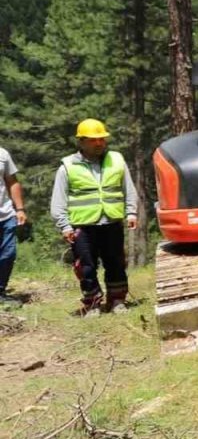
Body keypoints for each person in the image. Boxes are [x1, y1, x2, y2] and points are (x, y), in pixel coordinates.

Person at [50, 119, 138, 315]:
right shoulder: (67, 166)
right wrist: (65, 226)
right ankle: (92, 304)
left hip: (111, 222)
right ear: (81, 141)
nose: (99, 143)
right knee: (86, 267)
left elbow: (129, 188)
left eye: (101, 139)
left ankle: (117, 301)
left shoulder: (117, 160)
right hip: (82, 226)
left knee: (115, 263)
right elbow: (58, 200)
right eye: (93, 140)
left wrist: (131, 212)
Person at [0, 145, 28, 307]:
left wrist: (20, 209)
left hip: (6, 215)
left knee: (8, 254)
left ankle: (0, 291)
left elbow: (12, 182)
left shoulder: (2, 153)